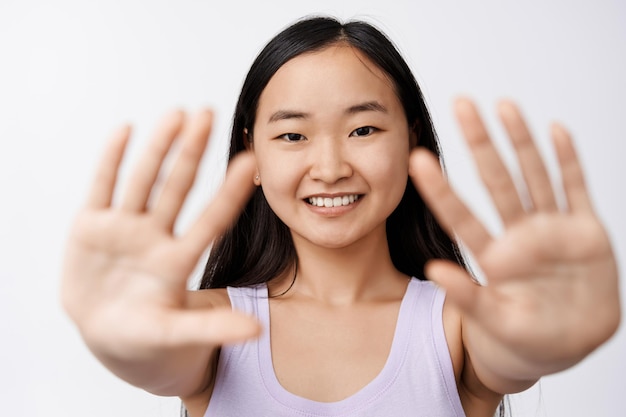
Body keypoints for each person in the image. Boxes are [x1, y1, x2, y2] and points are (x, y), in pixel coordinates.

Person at [60, 16, 621, 417]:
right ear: (252, 157)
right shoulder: (211, 325)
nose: (328, 168)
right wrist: (118, 342)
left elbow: (513, 352)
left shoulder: (456, 325)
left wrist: (542, 343)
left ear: (412, 142)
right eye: (292, 134)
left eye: (364, 130)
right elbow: (157, 357)